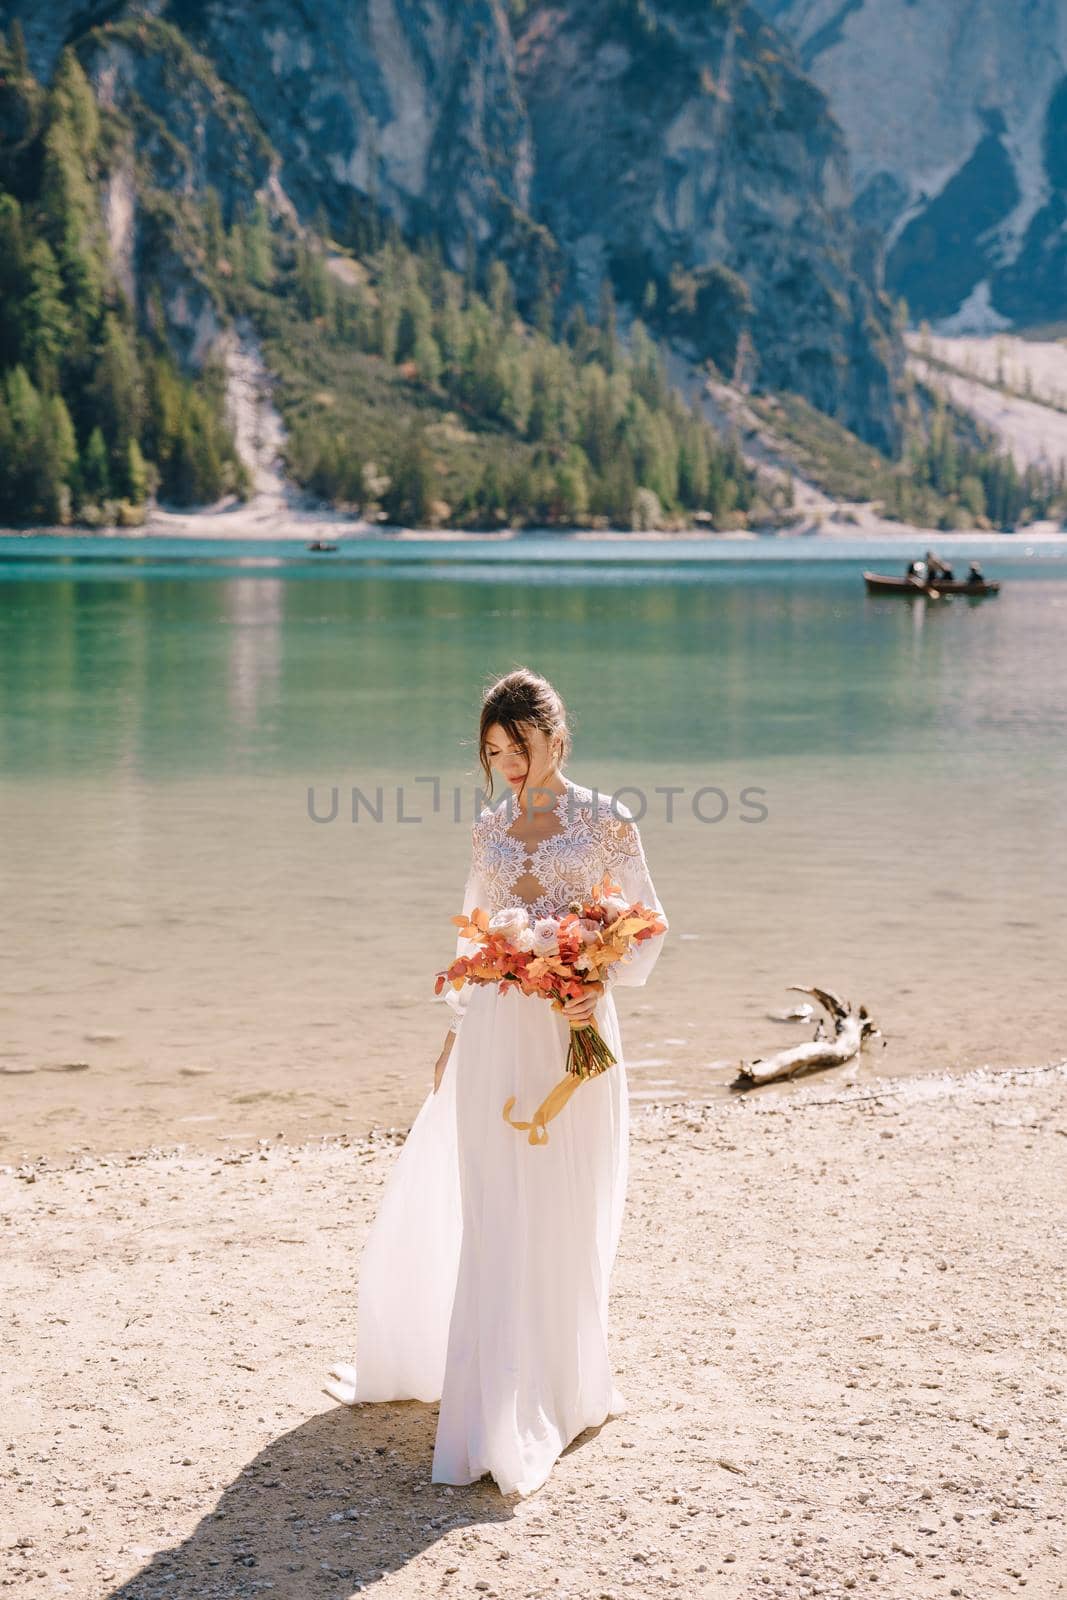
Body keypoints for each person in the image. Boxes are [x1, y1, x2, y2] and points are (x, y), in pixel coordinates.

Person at [323, 668, 669, 1497]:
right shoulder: (488, 830)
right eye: (492, 750)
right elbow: (472, 939)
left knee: (565, 1202)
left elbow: (649, 926)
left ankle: (564, 1383)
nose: (508, 762)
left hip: (572, 1036)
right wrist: (454, 1032)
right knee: (494, 1203)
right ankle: (491, 1394)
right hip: (495, 1036)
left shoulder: (603, 820)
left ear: (556, 736)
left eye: (519, 745)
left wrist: (597, 977)